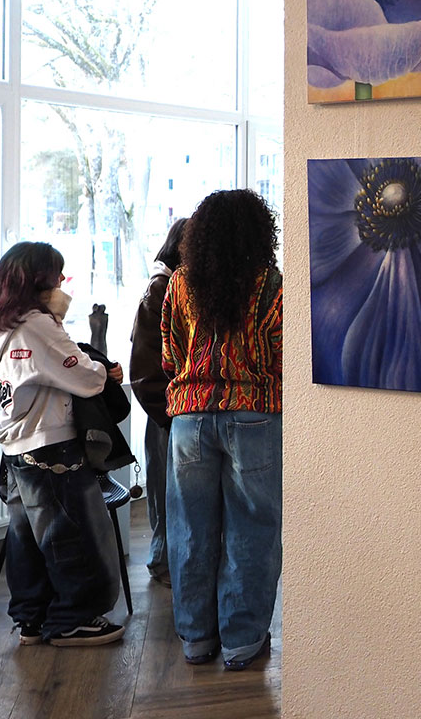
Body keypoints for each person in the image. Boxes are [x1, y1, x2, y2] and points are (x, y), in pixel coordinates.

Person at [0, 241, 125, 647]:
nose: (62, 280)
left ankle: (32, 618)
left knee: (25, 539)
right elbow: (86, 377)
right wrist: (103, 368)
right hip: (51, 442)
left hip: (17, 446)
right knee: (69, 537)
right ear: (40, 279)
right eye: (56, 274)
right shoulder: (37, 326)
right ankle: (72, 619)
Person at [161, 190, 284, 670]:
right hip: (255, 415)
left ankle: (196, 639)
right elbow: (282, 352)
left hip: (189, 418)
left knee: (189, 528)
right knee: (252, 529)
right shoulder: (269, 283)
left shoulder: (180, 283)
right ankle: (241, 641)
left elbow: (170, 352)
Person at [129, 217, 189, 587]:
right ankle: (163, 562)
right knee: (166, 493)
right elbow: (145, 366)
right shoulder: (161, 290)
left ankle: (168, 561)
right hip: (167, 412)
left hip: (172, 410)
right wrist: (168, 414)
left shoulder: (171, 287)